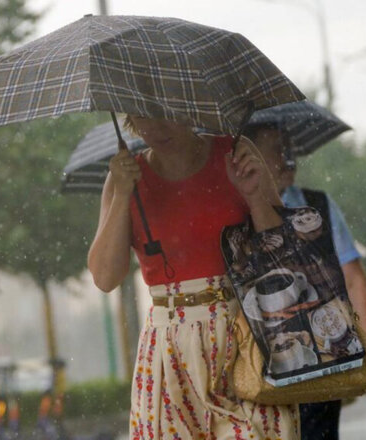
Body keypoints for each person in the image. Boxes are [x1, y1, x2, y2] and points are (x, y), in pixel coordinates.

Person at [88, 115, 299, 440]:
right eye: (142, 115)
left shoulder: (235, 153)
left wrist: (255, 196)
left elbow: (285, 256)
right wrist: (121, 194)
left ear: (186, 105)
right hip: (167, 347)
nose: (155, 127)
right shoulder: (125, 175)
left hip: (244, 334)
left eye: (164, 112)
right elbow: (104, 277)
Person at [243, 123, 366, 439]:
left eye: (289, 149)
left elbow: (354, 280)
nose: (288, 160)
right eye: (275, 151)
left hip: (320, 362)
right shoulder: (233, 212)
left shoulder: (318, 208)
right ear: (248, 158)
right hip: (260, 369)